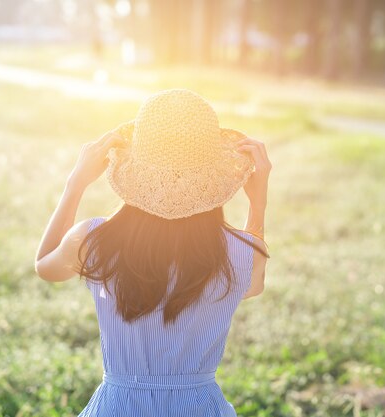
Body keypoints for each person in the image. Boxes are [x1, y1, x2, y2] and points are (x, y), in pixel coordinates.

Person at [34, 89, 272, 416]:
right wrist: (258, 204)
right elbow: (252, 285)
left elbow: (44, 266)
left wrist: (74, 184)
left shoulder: (93, 240)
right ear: (214, 174)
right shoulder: (245, 252)